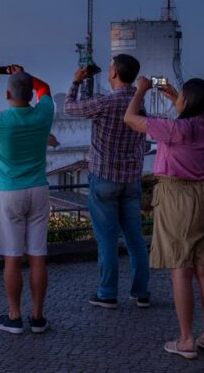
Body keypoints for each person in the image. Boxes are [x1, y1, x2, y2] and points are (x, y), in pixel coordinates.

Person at [123, 77, 204, 360]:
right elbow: (195, 114)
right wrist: (175, 95)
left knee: (181, 268)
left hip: (177, 197)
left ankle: (187, 340)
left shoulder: (176, 129)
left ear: (186, 102)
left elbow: (130, 118)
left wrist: (141, 90)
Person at [0, 65, 53, 335]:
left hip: (10, 193)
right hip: (39, 190)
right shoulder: (43, 113)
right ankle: (38, 318)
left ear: (7, 93)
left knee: (13, 258)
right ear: (30, 94)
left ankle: (14, 316)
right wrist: (27, 74)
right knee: (38, 256)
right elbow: (45, 89)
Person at [64, 54, 151, 309]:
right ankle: (141, 291)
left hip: (104, 178)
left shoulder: (105, 102)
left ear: (114, 73)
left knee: (107, 239)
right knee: (135, 237)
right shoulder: (140, 103)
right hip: (131, 180)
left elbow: (70, 107)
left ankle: (107, 293)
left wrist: (76, 82)